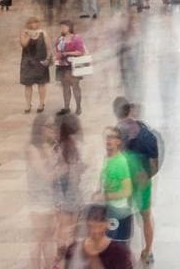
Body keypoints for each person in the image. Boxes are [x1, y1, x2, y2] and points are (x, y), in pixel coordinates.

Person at [113, 98, 158, 265]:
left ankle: (124, 253)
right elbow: (154, 163)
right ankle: (148, 250)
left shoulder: (117, 134)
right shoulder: (146, 132)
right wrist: (146, 177)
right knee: (146, 216)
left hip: (124, 183)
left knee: (124, 217)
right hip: (142, 183)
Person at [53, 113, 85, 266]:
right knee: (71, 230)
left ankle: (60, 258)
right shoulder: (69, 147)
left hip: (61, 194)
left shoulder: (59, 145)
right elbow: (72, 174)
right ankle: (66, 259)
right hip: (70, 193)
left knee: (63, 228)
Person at [26, 114, 56, 269]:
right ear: (40, 129)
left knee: (50, 236)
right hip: (39, 201)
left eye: (53, 125)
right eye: (49, 126)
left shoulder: (50, 146)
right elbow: (45, 176)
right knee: (39, 237)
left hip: (51, 198)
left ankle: (49, 266)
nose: (53, 129)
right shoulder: (33, 149)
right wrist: (62, 169)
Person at [64, 204, 133, 268]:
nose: (96, 225)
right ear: (86, 222)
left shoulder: (119, 252)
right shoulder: (73, 249)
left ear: (108, 224)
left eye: (101, 219)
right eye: (93, 219)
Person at [97, 127, 134, 243]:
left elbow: (127, 191)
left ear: (119, 142)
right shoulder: (107, 158)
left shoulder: (120, 162)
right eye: (107, 137)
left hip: (119, 212)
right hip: (108, 209)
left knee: (119, 248)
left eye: (112, 138)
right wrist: (98, 192)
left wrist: (105, 196)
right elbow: (103, 178)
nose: (108, 141)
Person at [54, 20, 87, 116]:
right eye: (61, 27)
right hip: (62, 66)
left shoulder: (76, 38)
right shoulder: (60, 39)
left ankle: (78, 107)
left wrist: (68, 53)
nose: (62, 29)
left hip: (72, 65)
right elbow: (57, 52)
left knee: (75, 86)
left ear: (70, 27)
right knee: (65, 87)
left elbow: (80, 51)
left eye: (64, 27)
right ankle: (66, 107)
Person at [20, 17, 52, 113]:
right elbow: (23, 44)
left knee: (41, 84)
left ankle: (41, 103)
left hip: (40, 61)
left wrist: (48, 58)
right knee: (28, 84)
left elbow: (48, 47)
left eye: (35, 22)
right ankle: (27, 104)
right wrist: (29, 35)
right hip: (27, 61)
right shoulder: (24, 33)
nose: (34, 25)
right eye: (31, 23)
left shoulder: (43, 33)